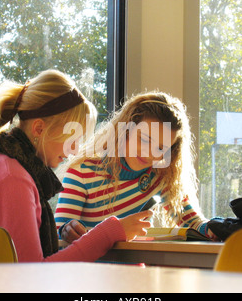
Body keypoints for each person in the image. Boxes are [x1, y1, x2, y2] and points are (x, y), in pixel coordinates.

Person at [0, 69, 152, 264]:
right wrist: (108, 231)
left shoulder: (3, 165)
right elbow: (33, 274)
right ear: (39, 128)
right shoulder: (11, 177)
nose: (75, 150)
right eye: (72, 138)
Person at [55, 92, 213, 243]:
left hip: (138, 269)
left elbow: (192, 222)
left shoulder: (160, 175)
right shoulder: (82, 172)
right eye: (144, 140)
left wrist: (215, 228)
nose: (149, 153)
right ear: (124, 131)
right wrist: (66, 230)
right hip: (90, 268)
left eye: (161, 149)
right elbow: (59, 233)